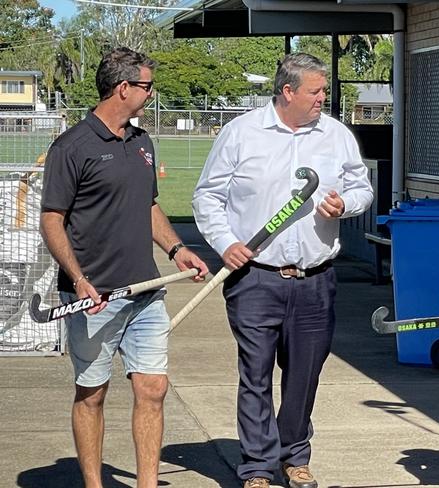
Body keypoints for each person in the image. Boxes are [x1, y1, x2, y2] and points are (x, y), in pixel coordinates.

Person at [193, 52, 373, 488]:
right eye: (315, 91)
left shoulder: (336, 135)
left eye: (324, 90)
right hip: (255, 278)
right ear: (287, 91)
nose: (322, 98)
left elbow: (361, 186)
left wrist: (346, 204)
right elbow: (207, 197)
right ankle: (257, 466)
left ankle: (295, 456)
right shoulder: (241, 134)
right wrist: (225, 243)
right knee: (254, 373)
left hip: (315, 279)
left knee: (304, 375)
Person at [40, 47, 208, 488]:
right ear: (123, 88)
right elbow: (51, 219)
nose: (151, 94)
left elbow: (148, 205)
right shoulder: (71, 147)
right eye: (147, 86)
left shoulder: (141, 142)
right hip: (93, 298)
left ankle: (147, 484)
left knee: (153, 390)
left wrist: (176, 250)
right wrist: (78, 280)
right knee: (92, 394)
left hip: (146, 291)